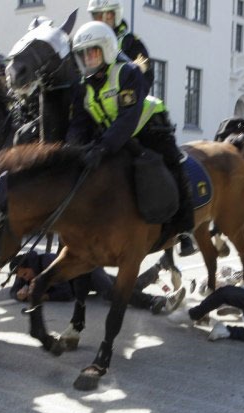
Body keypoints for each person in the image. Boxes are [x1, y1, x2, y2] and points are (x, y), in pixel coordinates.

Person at [67, 21, 195, 247]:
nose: (88, 59)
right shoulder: (81, 86)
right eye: (83, 55)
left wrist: (103, 147)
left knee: (172, 164)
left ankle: (185, 229)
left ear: (106, 50)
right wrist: (74, 150)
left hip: (148, 127)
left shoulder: (127, 72)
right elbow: (78, 122)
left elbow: (128, 118)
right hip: (111, 134)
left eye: (93, 53)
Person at [10, 250, 186, 315]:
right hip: (82, 282)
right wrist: (19, 294)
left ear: (30, 265)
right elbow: (15, 289)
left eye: (25, 274)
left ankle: (154, 302)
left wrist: (44, 295)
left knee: (111, 292)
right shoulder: (28, 273)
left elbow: (67, 294)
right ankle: (159, 266)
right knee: (130, 286)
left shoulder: (47, 263)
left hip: (88, 269)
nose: (24, 278)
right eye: (22, 277)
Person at [87, 0, 154, 88]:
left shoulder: (131, 42)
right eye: (96, 16)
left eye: (107, 15)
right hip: (93, 99)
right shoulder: (87, 44)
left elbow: (145, 77)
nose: (101, 20)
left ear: (116, 15)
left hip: (122, 98)